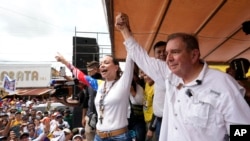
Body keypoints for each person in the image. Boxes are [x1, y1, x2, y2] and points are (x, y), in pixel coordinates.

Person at [115, 12, 250, 141]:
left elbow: (242, 130)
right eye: (167, 53)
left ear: (194, 55)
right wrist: (124, 30)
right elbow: (141, 58)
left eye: (175, 52)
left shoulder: (222, 83)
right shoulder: (171, 76)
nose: (168, 58)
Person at [55, 53, 135, 141]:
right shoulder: (99, 84)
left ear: (116, 67)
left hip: (119, 137)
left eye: (106, 62)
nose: (102, 65)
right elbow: (80, 76)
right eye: (100, 64)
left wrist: (128, 41)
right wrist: (64, 61)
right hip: (99, 136)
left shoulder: (123, 83)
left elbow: (130, 58)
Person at [147, 41, 166, 141]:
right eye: (159, 52)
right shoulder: (155, 74)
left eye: (164, 51)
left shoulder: (176, 72)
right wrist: (152, 127)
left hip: (174, 120)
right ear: (154, 55)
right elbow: (157, 105)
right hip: (159, 120)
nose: (162, 54)